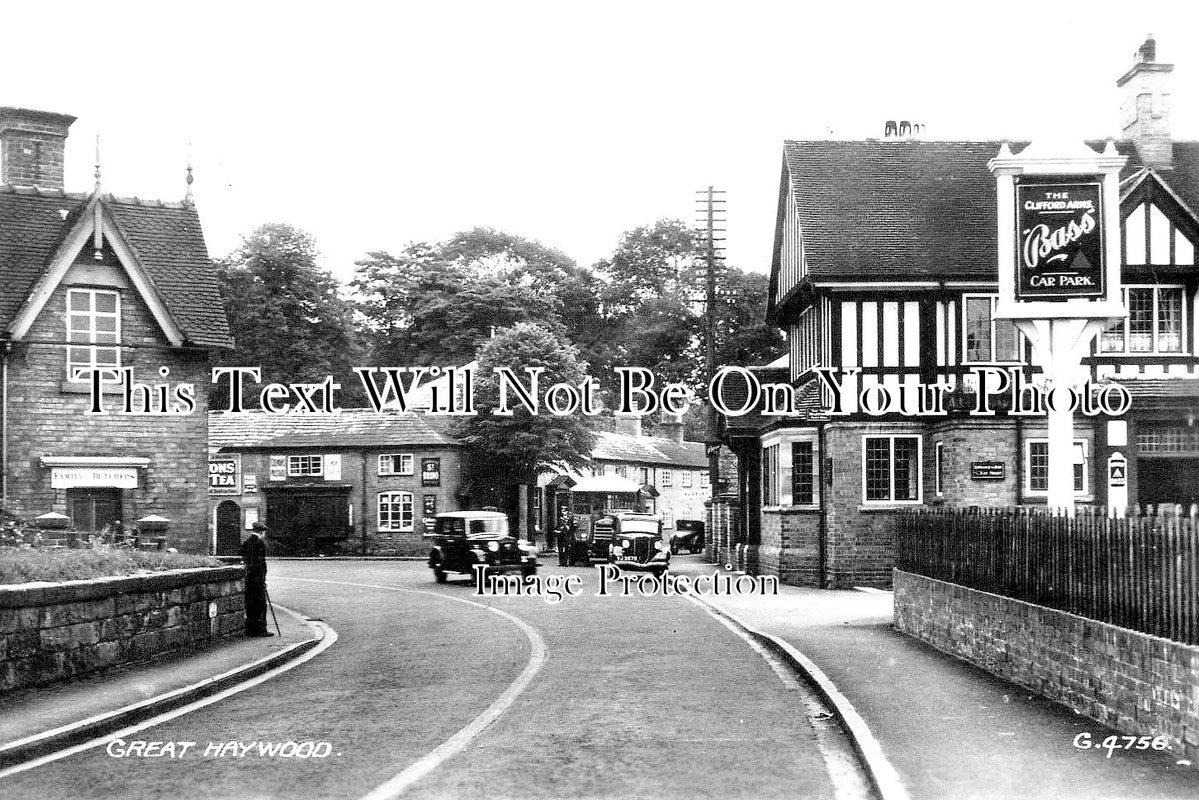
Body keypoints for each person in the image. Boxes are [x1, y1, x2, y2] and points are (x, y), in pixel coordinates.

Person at [241, 522, 272, 637]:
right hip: (257, 579)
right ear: (262, 532)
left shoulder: (247, 542)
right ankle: (261, 630)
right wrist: (262, 579)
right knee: (260, 605)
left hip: (248, 579)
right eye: (264, 533)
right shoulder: (259, 544)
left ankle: (250, 629)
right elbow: (260, 564)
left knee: (250, 604)